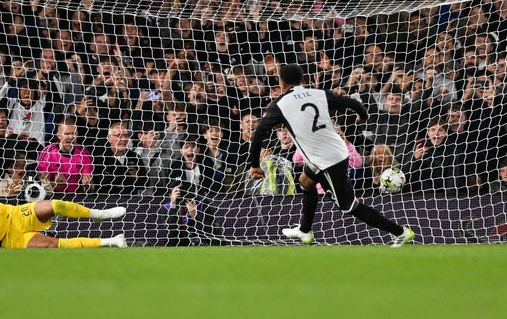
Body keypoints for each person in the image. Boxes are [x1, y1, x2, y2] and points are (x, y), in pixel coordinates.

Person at [249, 64, 414, 247]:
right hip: (332, 150)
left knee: (349, 206)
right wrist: (363, 115)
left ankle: (400, 232)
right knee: (306, 181)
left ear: (281, 82)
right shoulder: (318, 93)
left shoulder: (279, 104)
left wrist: (255, 164)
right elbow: (351, 103)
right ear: (302, 79)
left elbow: (258, 135)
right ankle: (304, 230)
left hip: (326, 160)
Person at [159, 181, 223, 246]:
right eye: (177, 191)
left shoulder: (204, 203)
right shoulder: (167, 208)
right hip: (179, 246)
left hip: (203, 245)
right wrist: (173, 205)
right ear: (170, 195)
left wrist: (195, 216)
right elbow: (172, 234)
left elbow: (216, 235)